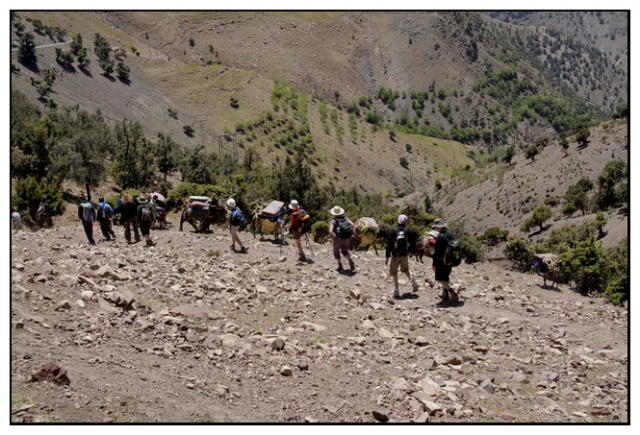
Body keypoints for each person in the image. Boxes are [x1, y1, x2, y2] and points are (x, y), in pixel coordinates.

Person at [385, 214, 419, 298]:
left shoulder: (393, 230)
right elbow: (413, 242)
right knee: (406, 270)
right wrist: (412, 252)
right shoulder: (409, 230)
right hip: (405, 254)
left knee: (394, 272)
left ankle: (396, 290)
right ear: (406, 221)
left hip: (395, 255)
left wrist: (387, 256)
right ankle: (414, 283)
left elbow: (389, 244)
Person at [431, 219, 458, 304]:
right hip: (450, 261)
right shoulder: (450, 234)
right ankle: (445, 295)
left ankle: (451, 292)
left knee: (439, 278)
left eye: (435, 226)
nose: (435, 228)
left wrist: (434, 264)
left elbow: (437, 253)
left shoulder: (439, 238)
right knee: (446, 277)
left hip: (441, 261)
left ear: (438, 227)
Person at [328, 205, 355, 272]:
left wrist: (334, 235)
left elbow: (330, 231)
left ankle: (340, 265)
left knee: (336, 252)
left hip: (338, 240)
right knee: (345, 251)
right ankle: (350, 260)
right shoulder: (346, 218)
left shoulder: (333, 221)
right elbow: (353, 225)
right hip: (346, 239)